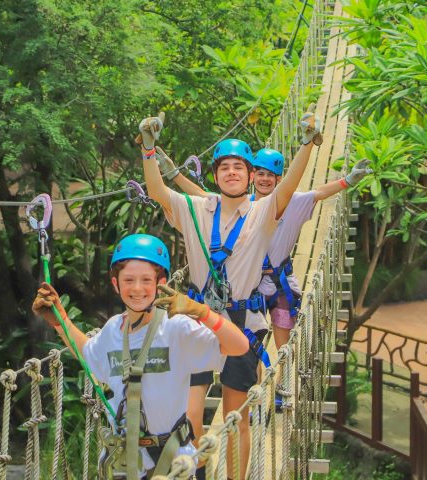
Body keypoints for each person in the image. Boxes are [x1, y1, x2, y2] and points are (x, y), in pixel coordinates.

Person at [137, 110, 322, 479]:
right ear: (216, 174)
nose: (232, 172)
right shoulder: (195, 208)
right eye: (225, 167)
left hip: (242, 324)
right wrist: (148, 148)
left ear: (252, 177)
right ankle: (201, 473)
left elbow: (287, 189)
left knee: (236, 417)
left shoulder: (263, 211)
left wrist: (306, 145)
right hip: (197, 320)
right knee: (190, 417)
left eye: (240, 167)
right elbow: (157, 191)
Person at [160, 146, 372, 409]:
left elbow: (318, 193)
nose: (264, 179)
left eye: (271, 175)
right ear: (253, 176)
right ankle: (255, 391)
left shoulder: (290, 201)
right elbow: (204, 198)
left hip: (280, 279)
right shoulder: (242, 202)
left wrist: (346, 181)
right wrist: (173, 175)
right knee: (253, 339)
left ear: (279, 180)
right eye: (260, 173)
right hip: (255, 281)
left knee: (284, 337)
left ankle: (283, 384)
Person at [32, 233, 249, 479]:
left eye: (146, 280)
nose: (137, 288)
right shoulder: (113, 329)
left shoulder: (176, 327)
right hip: (124, 462)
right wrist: (61, 322)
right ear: (116, 284)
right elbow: (89, 356)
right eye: (128, 280)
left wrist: (202, 312)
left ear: (162, 282)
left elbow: (239, 346)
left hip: (171, 461)